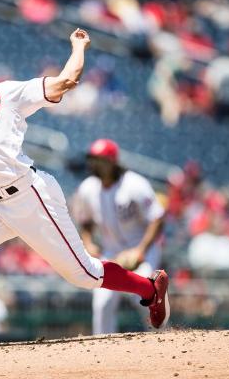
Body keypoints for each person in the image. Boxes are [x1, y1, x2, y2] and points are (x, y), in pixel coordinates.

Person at [0, 26, 170, 356]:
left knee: (85, 274)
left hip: (29, 197)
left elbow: (65, 81)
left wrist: (78, 47)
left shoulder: (6, 93)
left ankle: (149, 287)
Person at [72, 139, 165, 334]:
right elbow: (85, 220)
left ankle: (163, 340)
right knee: (102, 303)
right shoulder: (88, 188)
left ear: (113, 161)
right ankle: (102, 350)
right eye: (93, 159)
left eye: (101, 160)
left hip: (141, 248)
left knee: (146, 298)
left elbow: (157, 218)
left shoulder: (134, 184)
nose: (95, 164)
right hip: (111, 251)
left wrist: (140, 250)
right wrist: (88, 242)